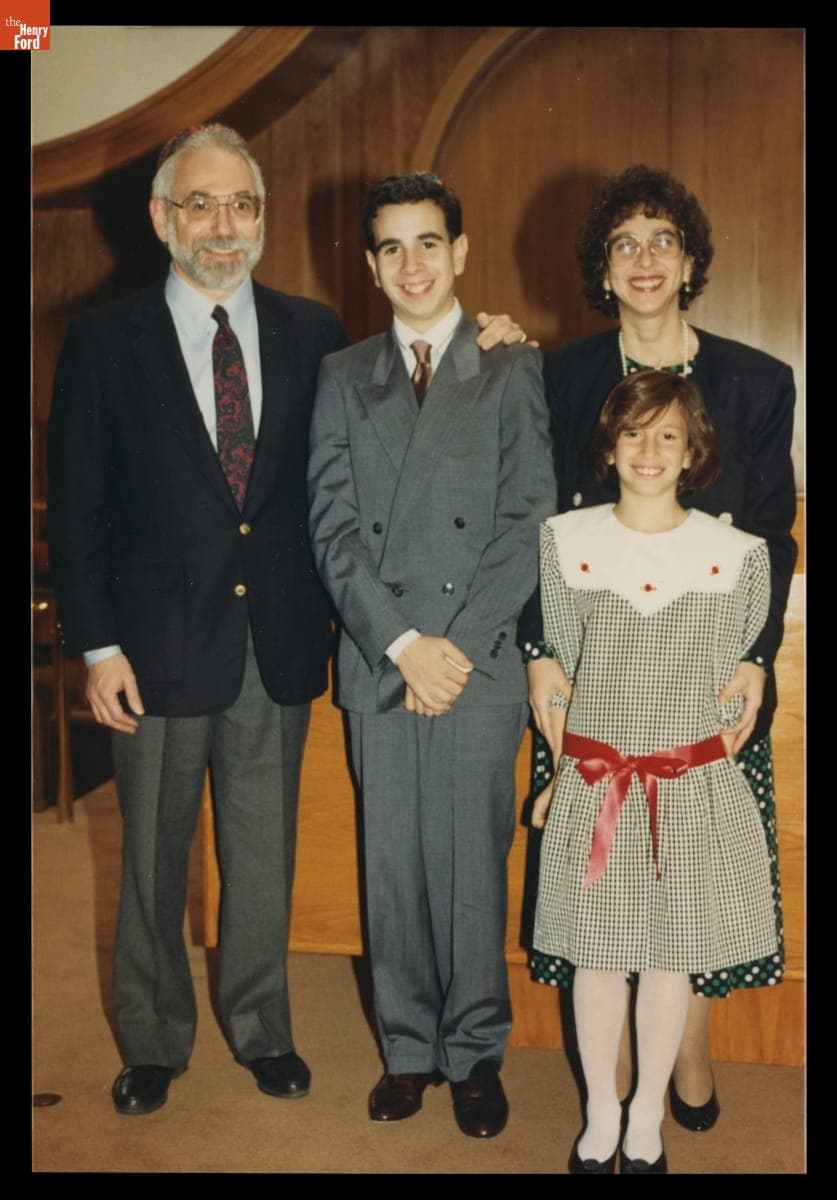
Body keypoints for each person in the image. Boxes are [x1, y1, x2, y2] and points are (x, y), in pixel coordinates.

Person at [46, 126, 526, 1118]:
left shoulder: (316, 333)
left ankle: (262, 1029)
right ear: (160, 219)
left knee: (261, 857)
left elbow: (409, 374)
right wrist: (95, 646)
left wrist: (497, 333)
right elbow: (78, 499)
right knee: (150, 855)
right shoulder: (103, 339)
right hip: (152, 649)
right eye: (201, 205)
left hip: (277, 644)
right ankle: (153, 1041)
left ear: (262, 218)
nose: (224, 227)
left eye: (242, 207)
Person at [520, 164, 797, 1131]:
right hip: (601, 674)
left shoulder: (757, 381)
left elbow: (771, 532)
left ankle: (685, 1055)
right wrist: (536, 650)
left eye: (661, 240)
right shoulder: (557, 376)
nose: (643, 260)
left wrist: (755, 657)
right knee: (608, 904)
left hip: (704, 668)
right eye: (623, 244)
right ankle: (621, 1098)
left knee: (693, 885)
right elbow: (537, 526)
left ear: (689, 261)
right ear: (601, 267)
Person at [307, 172, 556, 1138]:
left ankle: (475, 1052)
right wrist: (404, 642)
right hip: (384, 657)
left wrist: (451, 646)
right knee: (392, 865)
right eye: (391, 248)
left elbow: (527, 512)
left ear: (459, 252)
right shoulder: (343, 375)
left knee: (470, 861)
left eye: (428, 243)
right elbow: (331, 528)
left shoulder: (507, 367)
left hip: (476, 660)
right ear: (372, 267)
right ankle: (407, 1050)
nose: (412, 264)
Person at [532, 368, 778, 1174]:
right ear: (608, 444)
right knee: (597, 955)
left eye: (667, 435)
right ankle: (601, 1110)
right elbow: (561, 675)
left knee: (671, 954)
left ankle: (647, 1116)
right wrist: (563, 775)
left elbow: (736, 672)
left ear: (692, 451)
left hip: (686, 786)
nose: (648, 451)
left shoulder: (736, 554)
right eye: (633, 433)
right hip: (600, 782)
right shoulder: (565, 542)